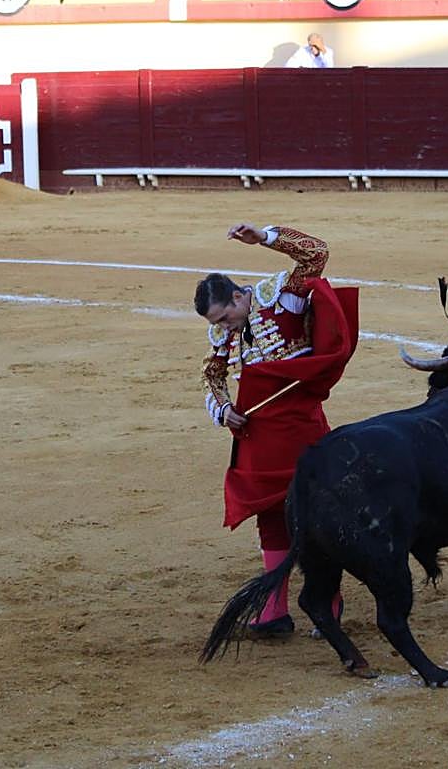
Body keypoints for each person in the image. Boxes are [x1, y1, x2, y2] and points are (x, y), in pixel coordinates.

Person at [195, 223, 358, 637]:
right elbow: (212, 374)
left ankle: (329, 603)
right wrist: (224, 409)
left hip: (301, 425)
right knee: (270, 514)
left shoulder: (282, 295)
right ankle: (273, 611)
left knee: (317, 511)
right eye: (218, 323)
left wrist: (266, 238)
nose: (225, 327)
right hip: (260, 433)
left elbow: (316, 253)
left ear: (238, 296)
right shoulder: (224, 331)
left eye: (226, 317)